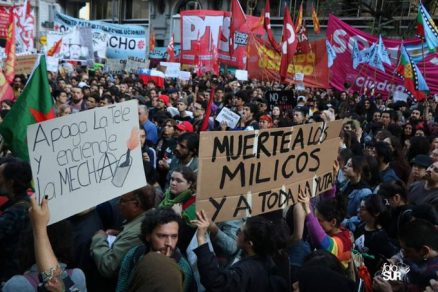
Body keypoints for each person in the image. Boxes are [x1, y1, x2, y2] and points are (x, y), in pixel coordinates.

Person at [192, 210, 289, 291]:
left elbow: (215, 282)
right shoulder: (264, 259)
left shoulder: (245, 271)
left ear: (249, 244)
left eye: (240, 232)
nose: (237, 234)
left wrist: (201, 238)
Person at [116, 208, 194, 292]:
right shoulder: (134, 255)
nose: (169, 243)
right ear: (148, 236)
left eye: (174, 236)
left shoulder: (183, 269)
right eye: (162, 236)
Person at [90, 187, 155, 280]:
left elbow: (108, 267)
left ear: (136, 205)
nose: (119, 204)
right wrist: (120, 234)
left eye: (122, 201)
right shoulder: (149, 215)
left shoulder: (135, 234)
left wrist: (99, 238)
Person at [0, 158, 33, 282]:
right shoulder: (31, 201)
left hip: (10, 274)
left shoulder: (13, 213)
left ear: (11, 182)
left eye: (1, 177)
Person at [299, 196, 353, 269]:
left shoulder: (343, 241)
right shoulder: (337, 230)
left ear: (333, 222)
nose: (317, 223)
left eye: (320, 220)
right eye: (316, 219)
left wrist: (308, 212)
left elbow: (325, 244)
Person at [353, 196, 398, 275]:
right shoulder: (360, 226)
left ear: (375, 213)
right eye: (359, 207)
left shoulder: (380, 236)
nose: (358, 210)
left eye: (363, 208)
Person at [159, 167, 197, 252]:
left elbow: (186, 236)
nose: (173, 183)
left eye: (179, 181)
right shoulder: (167, 195)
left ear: (189, 184)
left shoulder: (194, 204)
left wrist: (178, 217)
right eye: (172, 179)